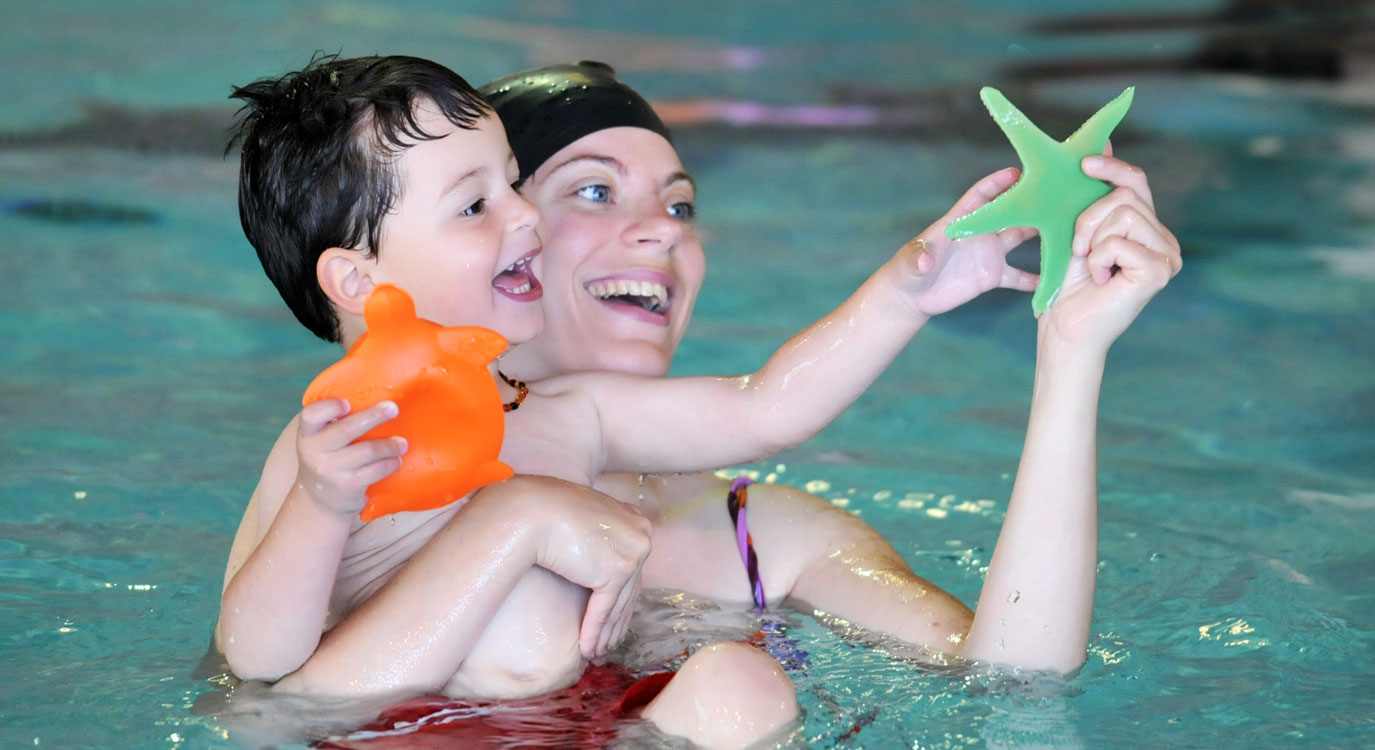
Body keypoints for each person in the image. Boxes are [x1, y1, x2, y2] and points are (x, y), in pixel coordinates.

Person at [218, 52, 1092, 749]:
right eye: (479, 204)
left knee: (735, 688)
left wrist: (908, 291)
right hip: (405, 731)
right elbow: (256, 668)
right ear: (357, 278)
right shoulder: (336, 445)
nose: (522, 219)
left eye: (514, 186)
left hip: (578, 723)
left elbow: (764, 409)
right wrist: (342, 504)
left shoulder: (579, 420)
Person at [480, 61, 1181, 673]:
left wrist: (1071, 353)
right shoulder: (419, 484)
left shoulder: (759, 536)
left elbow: (1013, 679)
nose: (666, 229)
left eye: (681, 205)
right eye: (595, 191)